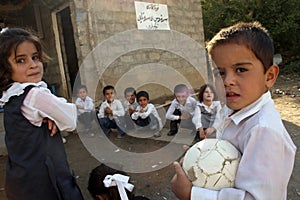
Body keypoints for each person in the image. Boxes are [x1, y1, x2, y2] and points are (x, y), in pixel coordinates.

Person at [170, 21, 297, 200]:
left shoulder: (263, 131)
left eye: (240, 69)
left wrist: (193, 194)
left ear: (269, 77)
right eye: (220, 73)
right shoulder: (231, 109)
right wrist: (200, 156)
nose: (228, 81)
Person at [0, 28, 83, 199]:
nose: (32, 64)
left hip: (21, 180)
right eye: (21, 60)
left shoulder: (10, 96)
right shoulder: (35, 95)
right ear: (5, 69)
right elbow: (70, 119)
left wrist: (50, 114)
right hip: (47, 181)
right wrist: (54, 115)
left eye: (35, 57)